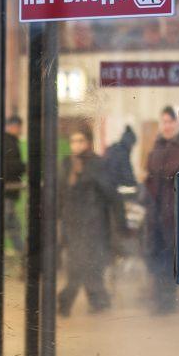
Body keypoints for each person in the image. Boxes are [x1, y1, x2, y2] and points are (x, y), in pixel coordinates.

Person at [57, 128, 118, 316]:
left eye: (80, 140)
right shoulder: (66, 163)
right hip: (72, 221)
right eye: (73, 141)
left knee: (84, 263)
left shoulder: (98, 163)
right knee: (81, 263)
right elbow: (61, 191)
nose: (76, 145)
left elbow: (109, 192)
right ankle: (98, 300)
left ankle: (68, 301)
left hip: (93, 222)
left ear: (88, 142)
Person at [143, 107, 179, 312]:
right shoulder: (155, 149)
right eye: (164, 121)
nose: (167, 125)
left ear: (177, 124)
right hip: (155, 214)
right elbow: (151, 175)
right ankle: (160, 300)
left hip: (172, 214)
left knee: (168, 259)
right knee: (155, 257)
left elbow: (169, 172)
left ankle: (167, 302)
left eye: (171, 122)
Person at [1, 114, 27, 259]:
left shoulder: (8, 141)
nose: (20, 130)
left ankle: (23, 253)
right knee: (2, 224)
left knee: (12, 224)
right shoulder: (9, 142)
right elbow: (10, 166)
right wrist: (24, 167)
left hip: (8, 190)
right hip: (7, 190)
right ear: (14, 126)